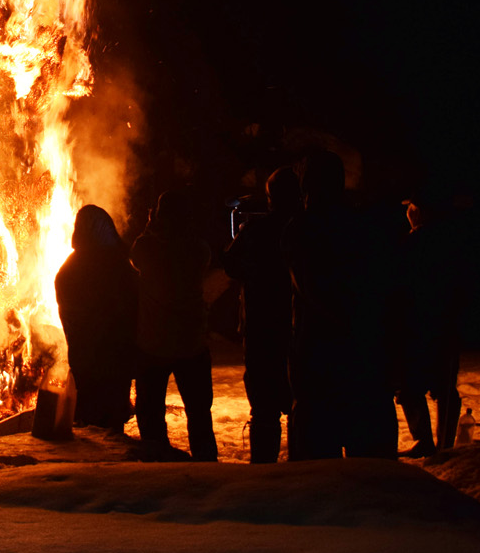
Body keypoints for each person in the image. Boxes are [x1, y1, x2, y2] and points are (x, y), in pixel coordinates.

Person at [287, 150, 397, 459]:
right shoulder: (364, 224)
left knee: (318, 451)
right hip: (363, 347)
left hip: (320, 350)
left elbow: (314, 288)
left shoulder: (304, 228)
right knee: (368, 453)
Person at [131, 188, 218, 461]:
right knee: (199, 413)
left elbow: (137, 254)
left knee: (150, 412)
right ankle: (207, 465)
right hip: (191, 343)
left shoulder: (146, 247)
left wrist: (150, 225)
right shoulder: (198, 249)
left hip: (154, 344)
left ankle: (159, 463)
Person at [222, 167, 298, 462]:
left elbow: (230, 263)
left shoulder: (258, 229)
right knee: (299, 402)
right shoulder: (307, 227)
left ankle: (264, 469)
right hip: (296, 326)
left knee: (264, 405)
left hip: (261, 326)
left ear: (270, 197)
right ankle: (305, 467)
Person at [392, 191, 467, 455]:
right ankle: (443, 442)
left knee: (410, 385)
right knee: (442, 386)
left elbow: (398, 284)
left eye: (411, 209)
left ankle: (426, 440)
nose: (408, 213)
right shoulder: (452, 243)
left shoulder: (412, 244)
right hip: (443, 323)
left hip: (416, 324)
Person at [55, 205, 138, 432]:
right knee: (111, 416)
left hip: (88, 356)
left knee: (91, 417)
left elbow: (68, 313)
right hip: (114, 355)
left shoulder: (71, 267)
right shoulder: (118, 265)